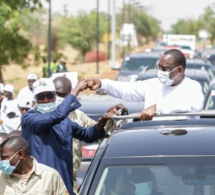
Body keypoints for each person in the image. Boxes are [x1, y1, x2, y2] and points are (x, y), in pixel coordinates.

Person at [21, 78, 125, 195]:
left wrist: (103, 120)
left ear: (54, 96)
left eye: (49, 95)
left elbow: (88, 135)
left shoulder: (64, 121)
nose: (46, 100)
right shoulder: (29, 118)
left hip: (64, 182)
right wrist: (76, 90)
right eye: (41, 97)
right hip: (41, 185)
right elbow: (57, 115)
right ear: (35, 100)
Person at [87, 49, 204, 120]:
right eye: (159, 67)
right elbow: (126, 89)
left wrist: (158, 108)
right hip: (153, 142)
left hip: (182, 145)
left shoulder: (192, 87)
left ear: (179, 70)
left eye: (165, 68)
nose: (160, 71)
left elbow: (193, 105)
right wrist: (102, 83)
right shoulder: (154, 85)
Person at [53, 76, 97, 192]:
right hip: (49, 181)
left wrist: (109, 119)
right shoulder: (42, 116)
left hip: (70, 180)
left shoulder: (77, 115)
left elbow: (96, 131)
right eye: (56, 94)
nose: (59, 98)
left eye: (62, 95)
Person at [0, 136, 68, 194]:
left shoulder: (50, 175)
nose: (2, 162)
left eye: (4, 158)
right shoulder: (1, 177)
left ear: (21, 155)